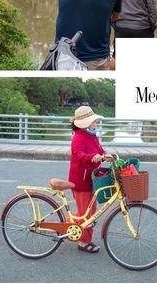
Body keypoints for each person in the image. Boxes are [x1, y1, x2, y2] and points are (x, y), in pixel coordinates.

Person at [68, 106, 107, 253]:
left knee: (90, 211)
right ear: (84, 124)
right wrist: (92, 157)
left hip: (92, 180)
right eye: (93, 122)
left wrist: (106, 155)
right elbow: (79, 155)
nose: (95, 124)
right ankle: (84, 243)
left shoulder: (92, 136)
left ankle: (66, 225)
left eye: (95, 121)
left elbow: (100, 150)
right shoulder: (78, 138)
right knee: (87, 214)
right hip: (81, 181)